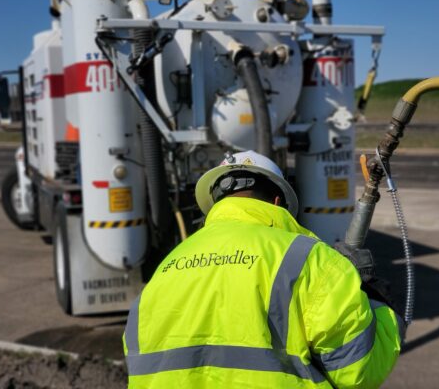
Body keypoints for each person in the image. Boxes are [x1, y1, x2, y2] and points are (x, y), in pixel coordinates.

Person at [123, 150, 404, 388]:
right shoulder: (310, 258)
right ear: (278, 202)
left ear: (216, 205)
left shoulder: (166, 269)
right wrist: (375, 298)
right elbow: (359, 371)